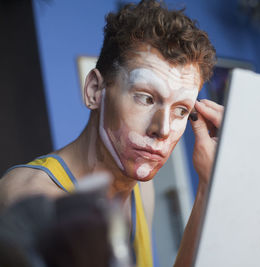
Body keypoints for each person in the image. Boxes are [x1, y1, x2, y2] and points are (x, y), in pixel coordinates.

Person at [0, 1, 223, 266]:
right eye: (145, 98)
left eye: (181, 111)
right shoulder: (33, 200)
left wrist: (208, 186)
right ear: (95, 90)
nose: (162, 129)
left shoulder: (141, 190)